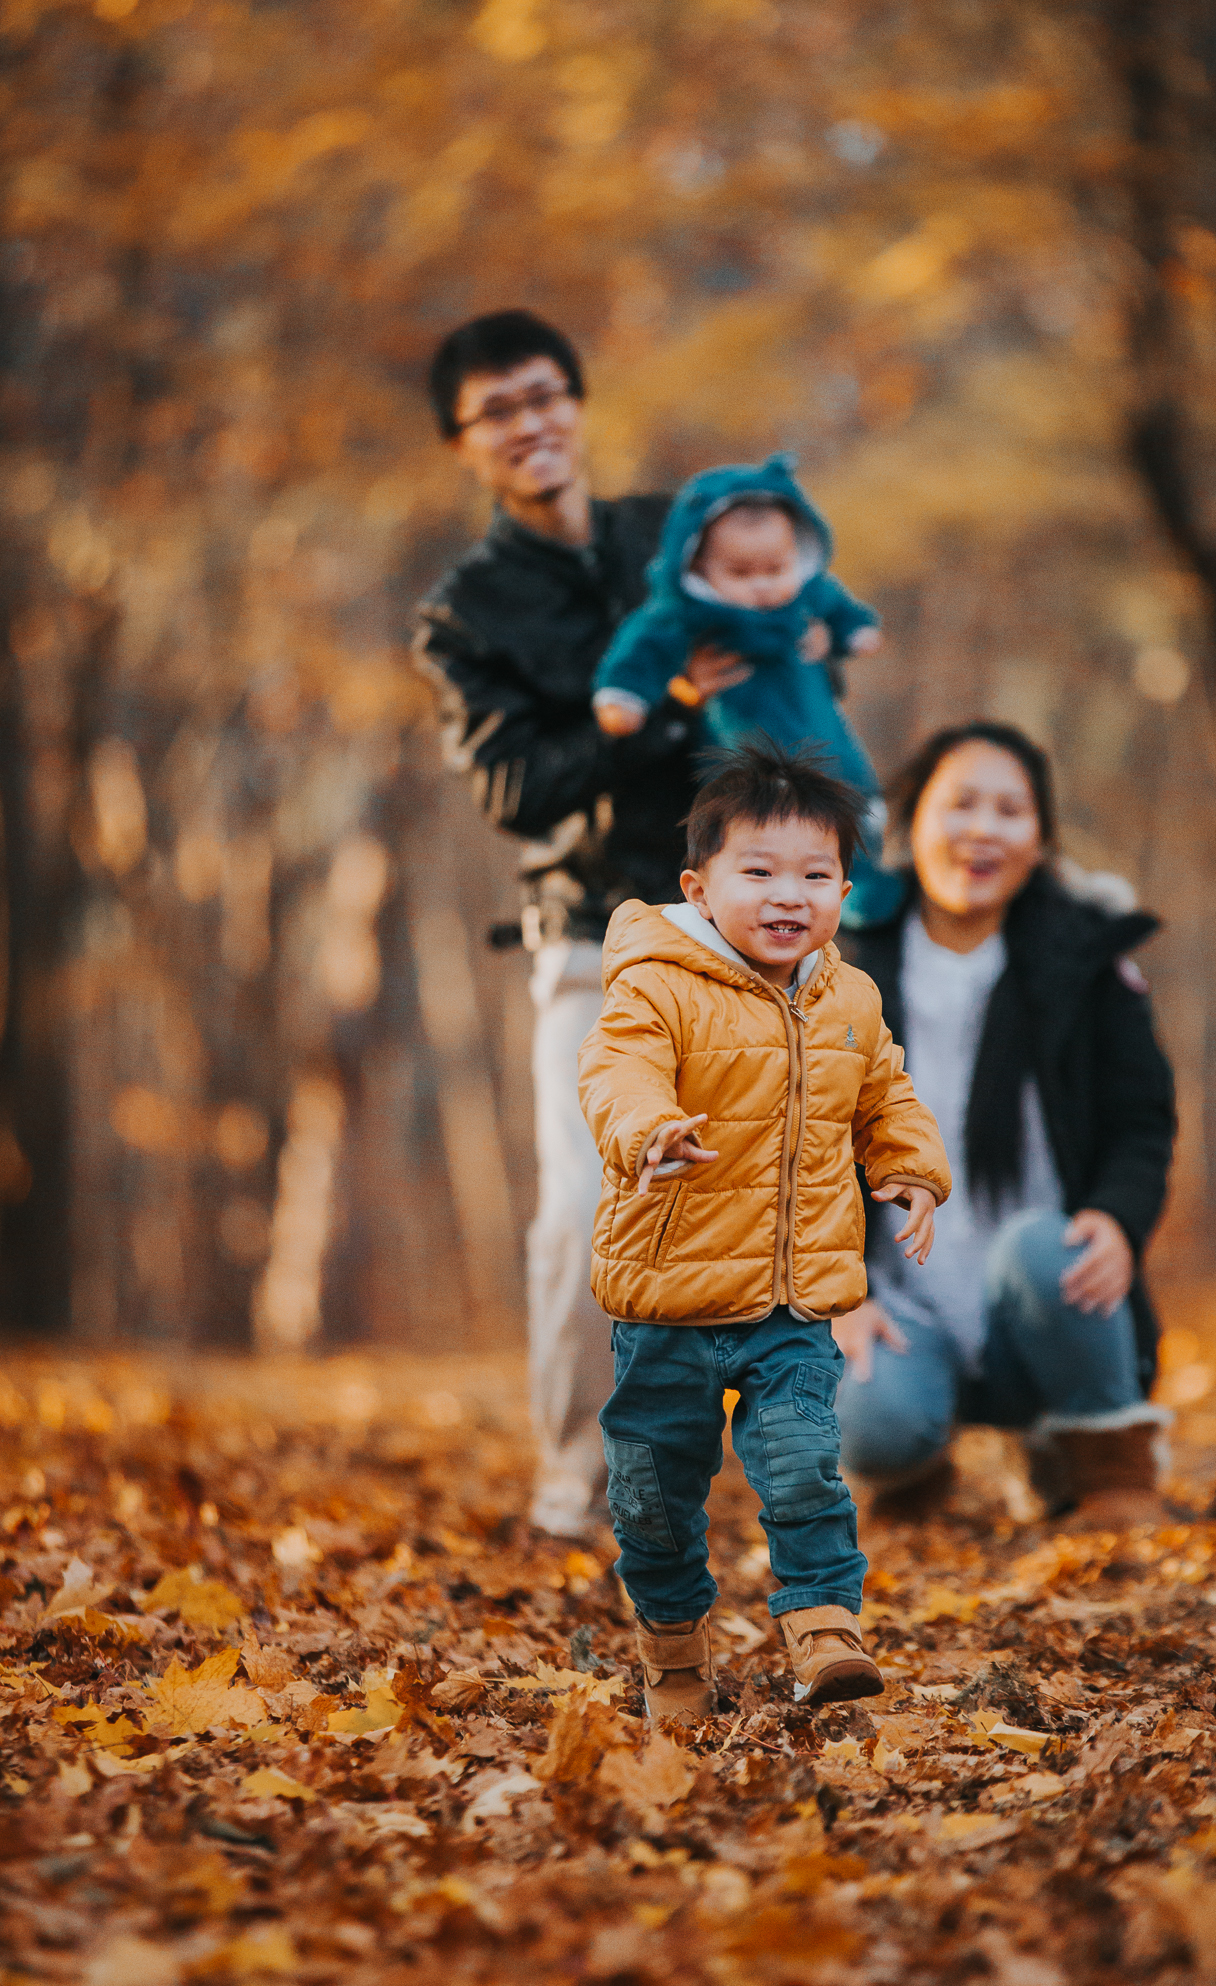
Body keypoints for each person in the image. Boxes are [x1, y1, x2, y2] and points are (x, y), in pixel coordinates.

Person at [411, 309, 743, 1538]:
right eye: (498, 410)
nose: (529, 423)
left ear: (579, 405)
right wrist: (652, 706)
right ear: (464, 444)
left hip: (749, 922)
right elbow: (515, 789)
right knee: (586, 1208)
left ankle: (794, 1453)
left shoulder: (677, 534)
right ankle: (571, 1485)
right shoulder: (467, 614)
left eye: (545, 395)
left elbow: (765, 670)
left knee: (780, 1181)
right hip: (593, 935)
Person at [576, 744, 951, 1722]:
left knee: (801, 1463)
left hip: (793, 1301)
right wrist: (646, 1129)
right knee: (653, 1499)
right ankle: (674, 1657)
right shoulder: (658, 983)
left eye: (815, 875)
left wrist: (908, 1171)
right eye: (761, 872)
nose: (790, 896)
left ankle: (824, 1627)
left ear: (843, 888)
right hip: (671, 1300)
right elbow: (616, 1073)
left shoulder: (848, 1002)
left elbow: (887, 1098)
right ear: (701, 885)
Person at [832, 721, 1177, 1528]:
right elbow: (794, 1147)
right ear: (911, 825)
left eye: (1010, 811)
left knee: (1044, 1246)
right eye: (961, 806)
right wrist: (834, 1293)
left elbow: (1142, 1120)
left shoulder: (1089, 964)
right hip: (901, 1302)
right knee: (870, 1425)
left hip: (1041, 1295)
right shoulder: (841, 964)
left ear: (1041, 841)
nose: (983, 830)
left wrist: (1118, 1220)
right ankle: (911, 1469)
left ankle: (1105, 1468)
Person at [591, 452, 906, 926]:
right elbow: (643, 648)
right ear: (696, 566)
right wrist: (624, 695)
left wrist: (851, 631)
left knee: (852, 798)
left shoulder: (802, 593)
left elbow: (834, 603)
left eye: (774, 569)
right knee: (765, 822)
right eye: (740, 574)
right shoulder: (685, 614)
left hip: (824, 734)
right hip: (746, 749)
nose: (762, 586)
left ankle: (867, 889)